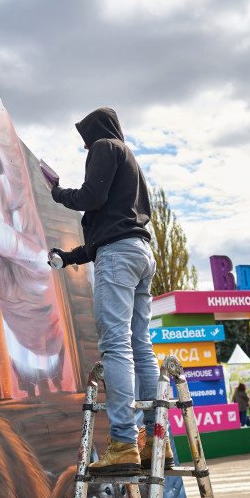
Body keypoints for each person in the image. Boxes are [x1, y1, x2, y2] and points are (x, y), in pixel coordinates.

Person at [47, 107, 164, 475]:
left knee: (116, 346)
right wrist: (69, 258)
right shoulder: (131, 163)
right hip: (142, 254)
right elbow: (112, 230)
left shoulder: (104, 146)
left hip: (119, 256)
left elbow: (91, 197)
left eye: (85, 138)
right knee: (140, 345)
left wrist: (57, 192)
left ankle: (123, 443)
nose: (85, 147)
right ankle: (153, 443)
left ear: (94, 132)